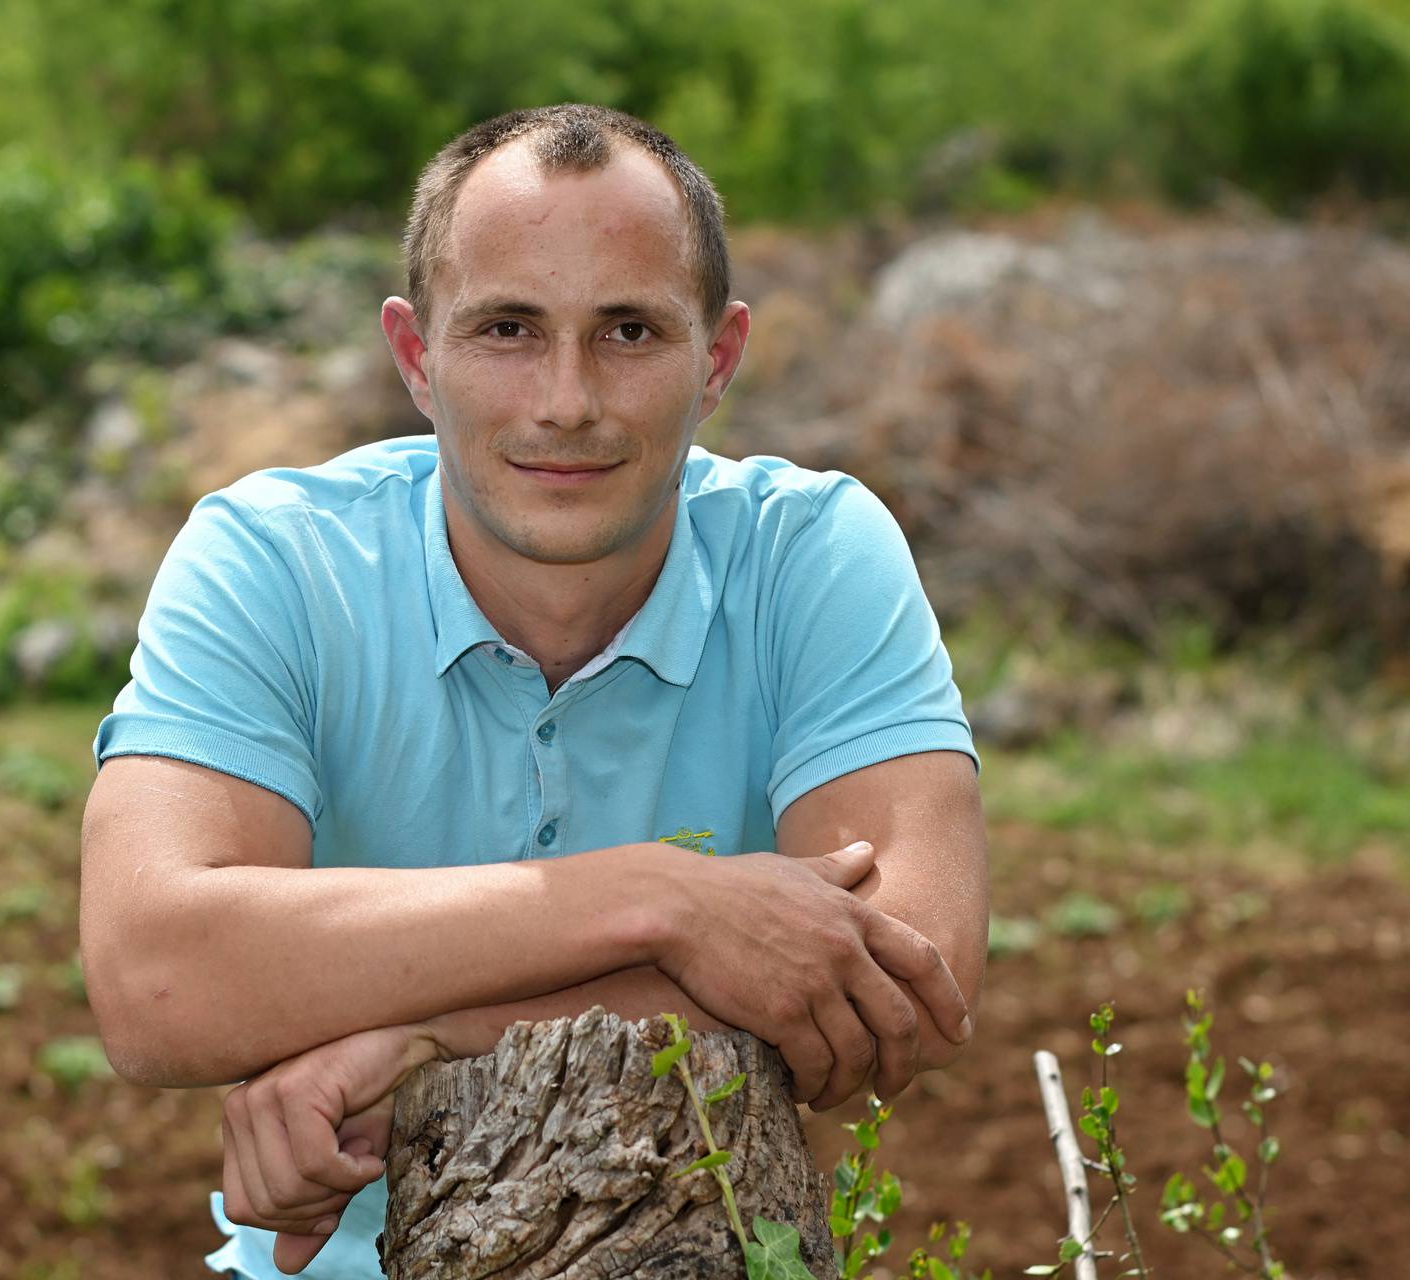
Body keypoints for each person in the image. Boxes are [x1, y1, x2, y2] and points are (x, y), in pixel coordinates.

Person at [81, 103, 988, 1279]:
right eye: (508, 328)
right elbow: (157, 975)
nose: (566, 400)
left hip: (708, 1252)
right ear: (416, 355)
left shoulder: (812, 550)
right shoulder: (275, 557)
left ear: (718, 357)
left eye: (629, 331)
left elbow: (912, 968)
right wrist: (662, 898)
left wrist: (416, 1041)